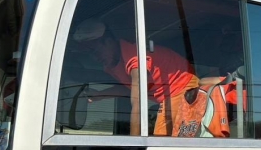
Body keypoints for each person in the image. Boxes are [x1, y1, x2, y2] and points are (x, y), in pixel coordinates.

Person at [73, 19, 224, 136]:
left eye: (95, 51)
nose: (95, 58)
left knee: (168, 143)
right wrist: (100, 95)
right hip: (167, 98)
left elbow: (137, 103)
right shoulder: (112, 64)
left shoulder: (135, 59)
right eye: (89, 54)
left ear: (108, 41)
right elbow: (131, 89)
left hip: (183, 87)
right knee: (161, 140)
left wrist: (132, 146)